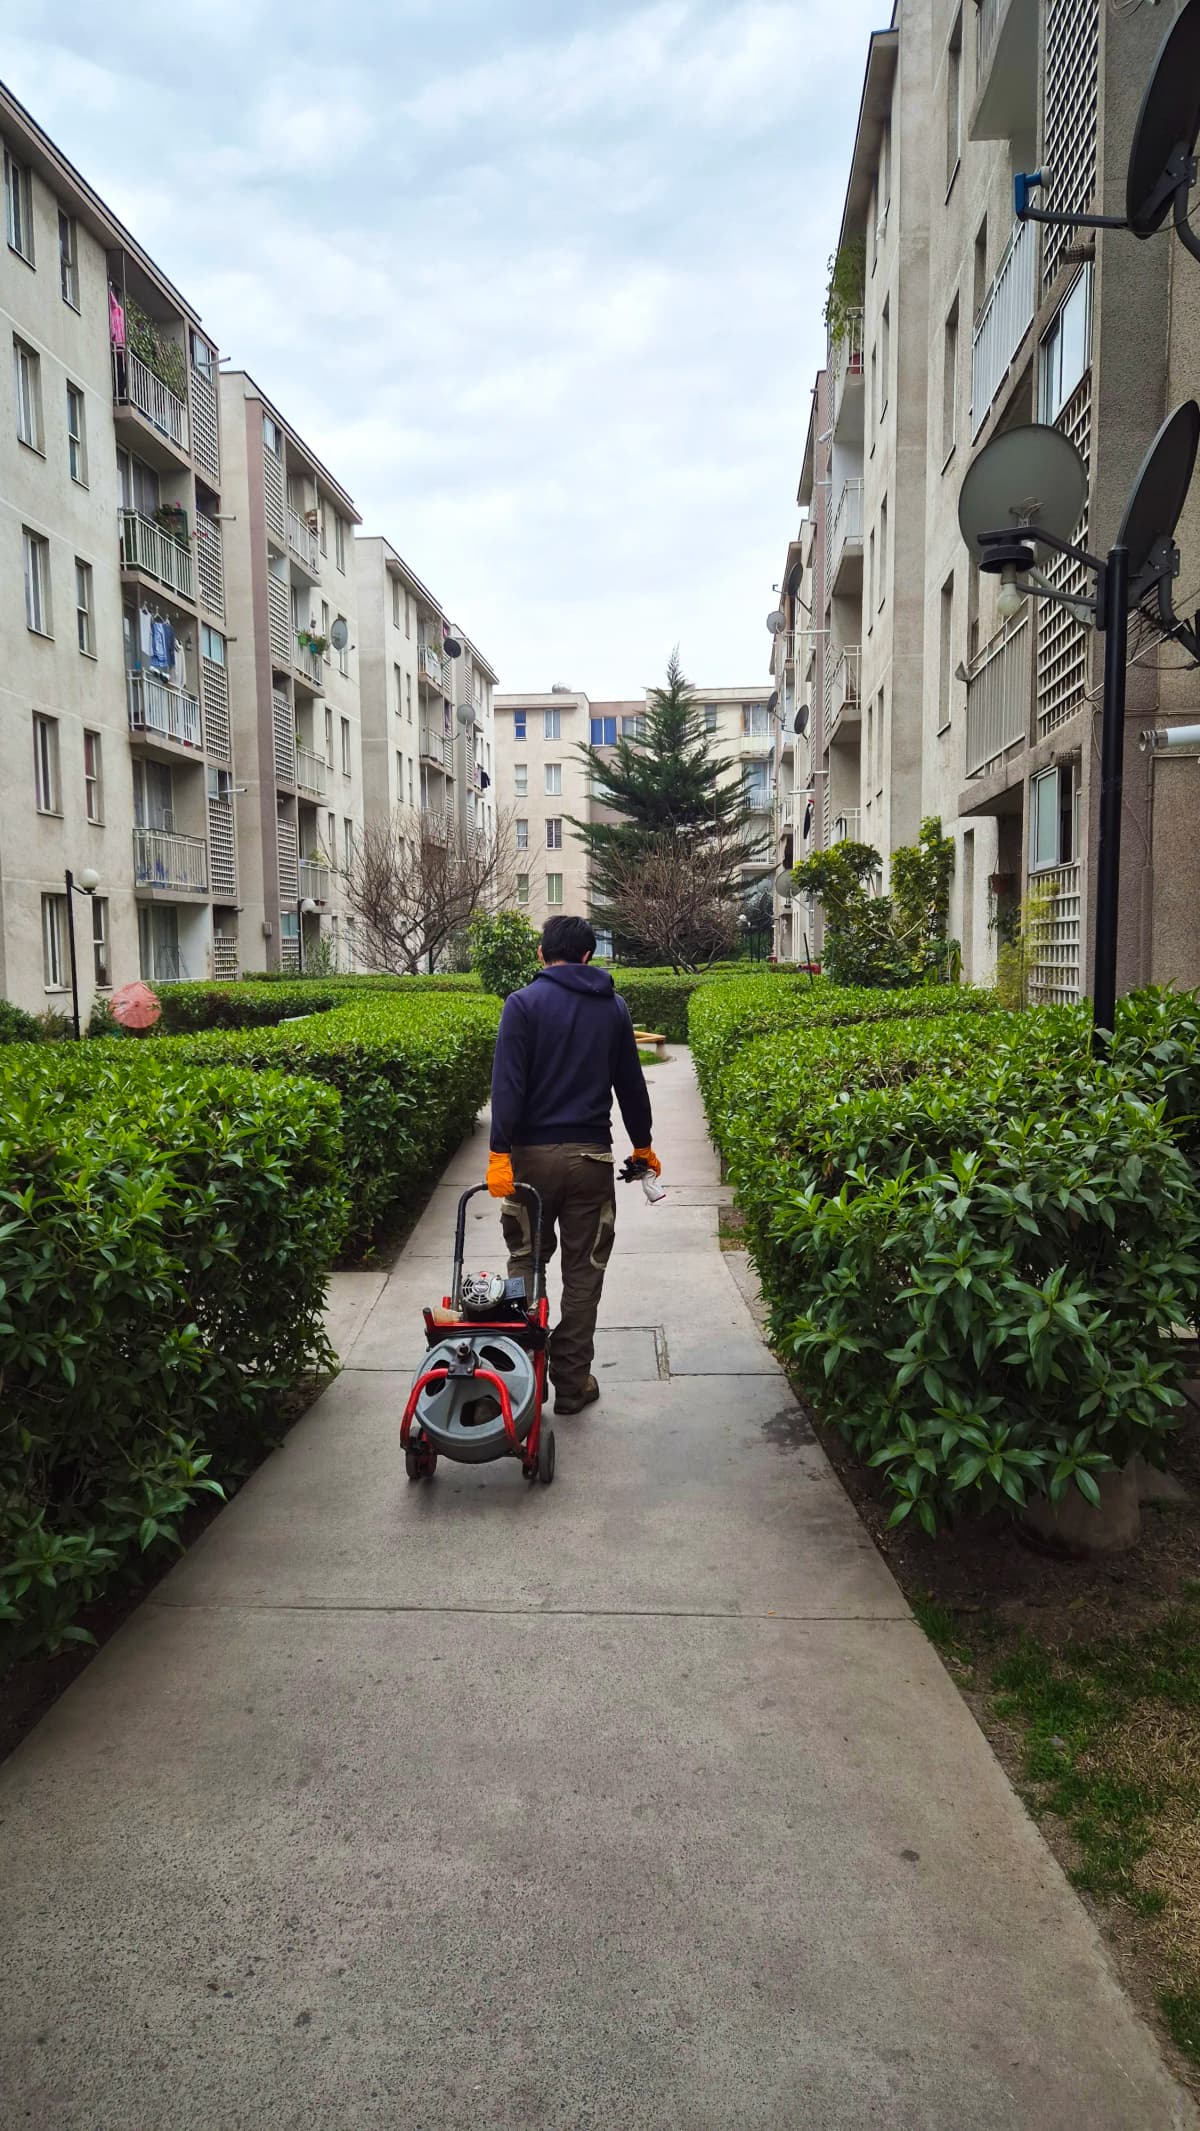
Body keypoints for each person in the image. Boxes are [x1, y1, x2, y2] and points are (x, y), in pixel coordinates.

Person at [486, 914, 660, 1415]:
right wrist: (643, 1147)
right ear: (588, 956)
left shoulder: (521, 1004)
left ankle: (518, 1381)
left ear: (542, 954)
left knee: (525, 1261)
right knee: (584, 1272)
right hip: (591, 1161)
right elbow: (631, 1086)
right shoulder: (613, 1008)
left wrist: (500, 1151)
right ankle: (571, 1381)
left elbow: (507, 1086)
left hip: (529, 1162)